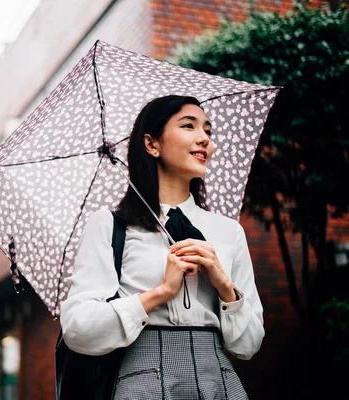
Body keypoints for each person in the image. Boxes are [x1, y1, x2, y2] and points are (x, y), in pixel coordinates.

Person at [60, 95, 264, 399]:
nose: (204, 139)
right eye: (188, 126)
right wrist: (161, 293)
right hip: (143, 378)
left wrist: (224, 287)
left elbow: (248, 346)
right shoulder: (110, 225)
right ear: (151, 144)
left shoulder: (228, 231)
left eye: (208, 131)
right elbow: (79, 329)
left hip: (218, 380)